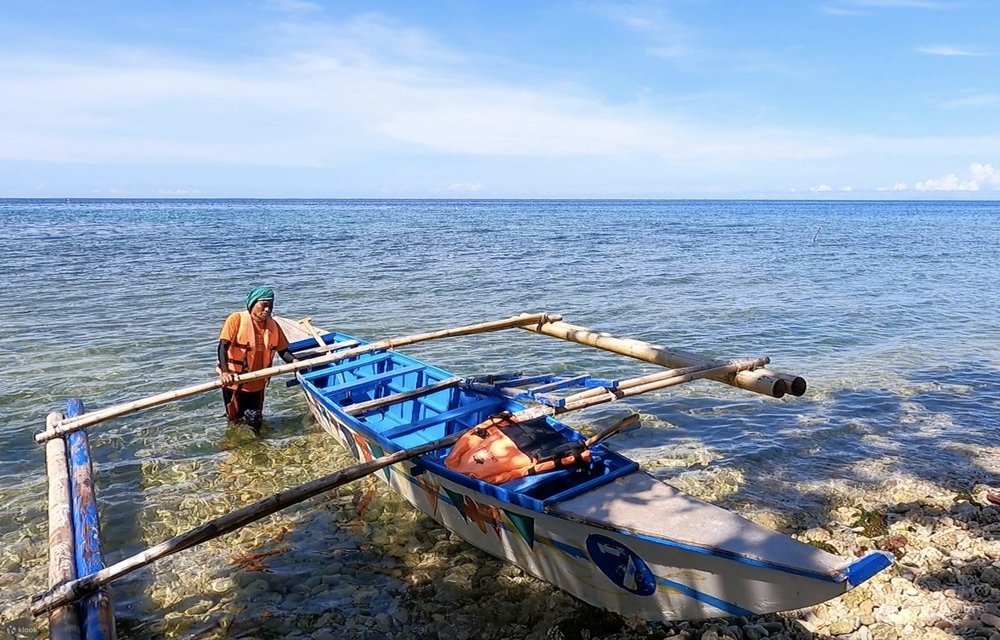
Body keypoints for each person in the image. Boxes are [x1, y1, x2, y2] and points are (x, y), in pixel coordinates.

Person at [217, 286, 297, 428]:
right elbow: (222, 347)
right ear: (252, 304)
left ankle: (258, 446)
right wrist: (225, 372)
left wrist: (296, 363)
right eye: (264, 305)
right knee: (235, 422)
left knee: (256, 421)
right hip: (235, 383)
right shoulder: (236, 319)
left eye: (270, 306)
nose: (267, 310)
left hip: (258, 384)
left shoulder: (274, 326)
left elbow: (283, 351)